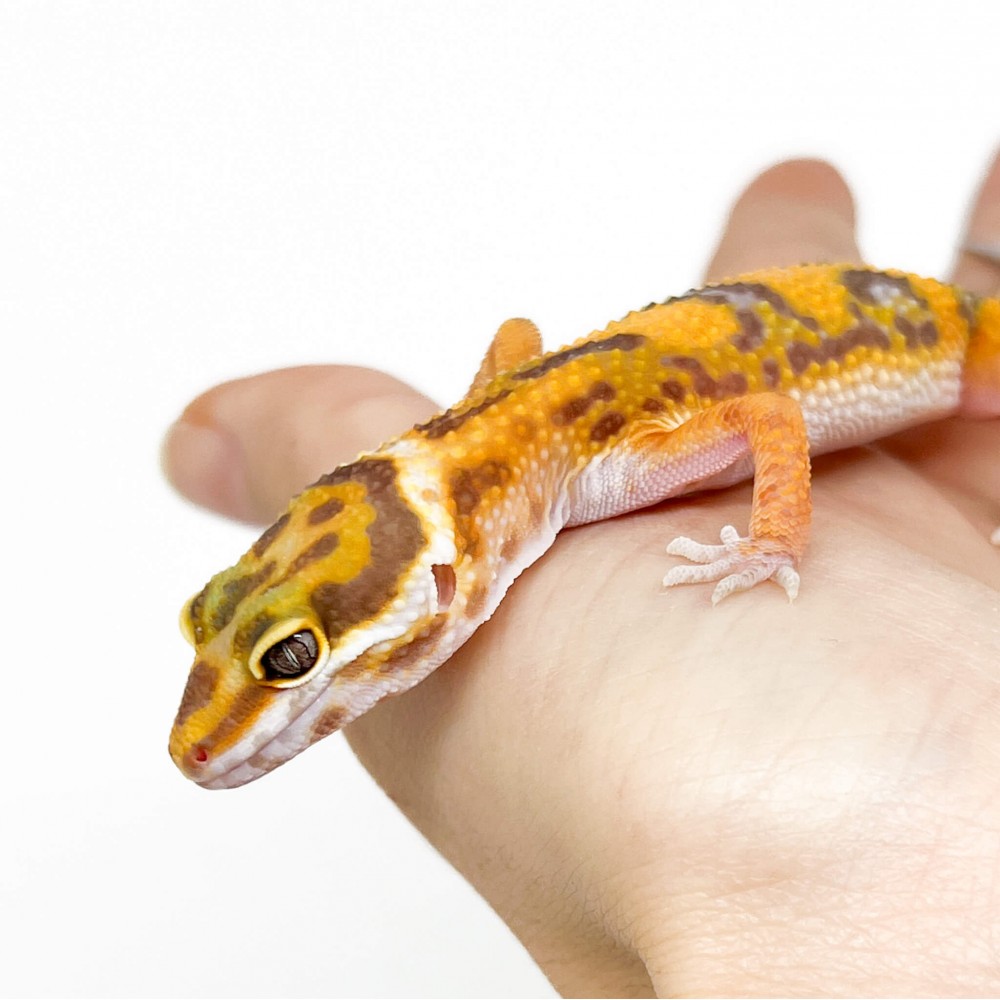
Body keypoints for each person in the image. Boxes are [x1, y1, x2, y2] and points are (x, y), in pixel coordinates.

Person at [163, 156, 1000, 996]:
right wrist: (483, 435)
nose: (203, 740)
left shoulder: (613, 462)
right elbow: (516, 340)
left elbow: (769, 415)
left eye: (290, 660)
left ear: (445, 578)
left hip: (961, 344)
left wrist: (773, 542)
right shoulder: (546, 469)